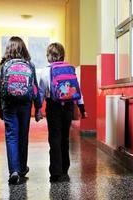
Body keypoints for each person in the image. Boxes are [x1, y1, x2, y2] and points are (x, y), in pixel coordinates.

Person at [38, 42, 87, 183]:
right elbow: (78, 90)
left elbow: (41, 92)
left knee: (54, 139)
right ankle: (65, 169)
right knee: (65, 138)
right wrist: (82, 109)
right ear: (62, 55)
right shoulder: (70, 69)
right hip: (68, 107)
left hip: (53, 107)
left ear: (49, 56)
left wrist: (39, 110)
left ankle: (56, 172)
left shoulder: (46, 71)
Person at [0, 36, 42, 184]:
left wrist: (0, 109)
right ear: (24, 48)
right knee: (23, 136)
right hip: (25, 104)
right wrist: (38, 108)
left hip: (8, 104)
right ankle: (22, 168)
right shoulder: (30, 64)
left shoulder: (4, 65)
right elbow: (34, 87)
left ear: (8, 48)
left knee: (11, 137)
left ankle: (14, 171)